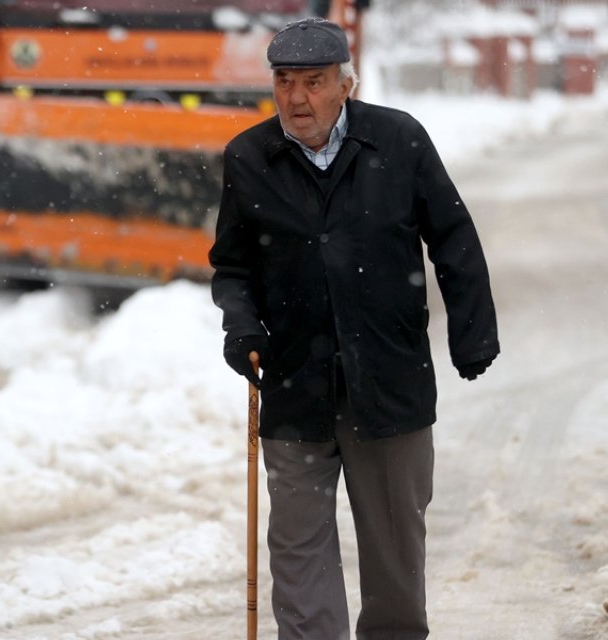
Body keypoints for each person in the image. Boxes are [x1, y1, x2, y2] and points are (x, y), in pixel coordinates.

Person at [208, 17, 500, 640]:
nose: (295, 98)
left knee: (396, 553)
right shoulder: (250, 158)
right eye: (285, 81)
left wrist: (472, 333)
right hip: (294, 384)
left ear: (346, 84)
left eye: (313, 82)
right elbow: (232, 267)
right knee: (297, 552)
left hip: (389, 382)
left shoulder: (398, 141)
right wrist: (242, 325)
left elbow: (454, 240)